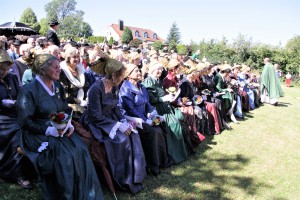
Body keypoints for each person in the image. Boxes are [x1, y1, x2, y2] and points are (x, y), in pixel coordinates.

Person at [16, 52, 103, 199]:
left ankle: (85, 193)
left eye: (59, 67)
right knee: (64, 156)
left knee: (81, 148)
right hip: (36, 133)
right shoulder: (29, 90)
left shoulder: (57, 85)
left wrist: (68, 124)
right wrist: (49, 130)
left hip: (60, 129)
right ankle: (66, 195)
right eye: (55, 67)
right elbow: (24, 122)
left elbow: (65, 108)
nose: (59, 70)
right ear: (43, 70)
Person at [79, 58, 147, 194]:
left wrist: (123, 121)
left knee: (133, 134)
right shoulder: (95, 89)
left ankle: (136, 175)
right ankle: (123, 180)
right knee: (121, 140)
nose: (123, 79)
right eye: (121, 76)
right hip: (97, 122)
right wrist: (117, 125)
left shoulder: (115, 86)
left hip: (111, 118)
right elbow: (95, 116)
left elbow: (116, 107)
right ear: (114, 75)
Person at [119, 63, 169, 176]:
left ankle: (162, 161)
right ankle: (152, 166)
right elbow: (130, 110)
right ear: (128, 75)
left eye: (139, 70)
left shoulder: (141, 87)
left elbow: (148, 105)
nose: (139, 72)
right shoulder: (125, 89)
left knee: (160, 127)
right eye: (136, 71)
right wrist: (146, 121)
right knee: (151, 131)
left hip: (144, 118)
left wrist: (154, 114)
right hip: (132, 120)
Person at [143, 60, 193, 164]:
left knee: (180, 119)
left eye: (161, 69)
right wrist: (164, 99)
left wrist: (169, 97)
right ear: (152, 70)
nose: (160, 71)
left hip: (165, 106)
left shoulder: (158, 80)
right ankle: (173, 155)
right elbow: (151, 99)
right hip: (156, 109)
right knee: (174, 125)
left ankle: (182, 152)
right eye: (157, 69)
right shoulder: (149, 81)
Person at [0, 42, 33, 189]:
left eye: (6, 69)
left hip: (15, 113)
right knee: (17, 133)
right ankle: (17, 173)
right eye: (1, 69)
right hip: (2, 117)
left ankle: (32, 169)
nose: (3, 72)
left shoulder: (11, 77)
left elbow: (21, 92)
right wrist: (2, 102)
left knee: (32, 126)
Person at [60, 46, 89, 118]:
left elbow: (86, 87)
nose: (77, 59)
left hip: (84, 102)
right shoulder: (63, 72)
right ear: (68, 58)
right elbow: (65, 94)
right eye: (74, 57)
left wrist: (87, 99)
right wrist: (79, 102)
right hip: (70, 104)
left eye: (78, 57)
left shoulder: (80, 70)